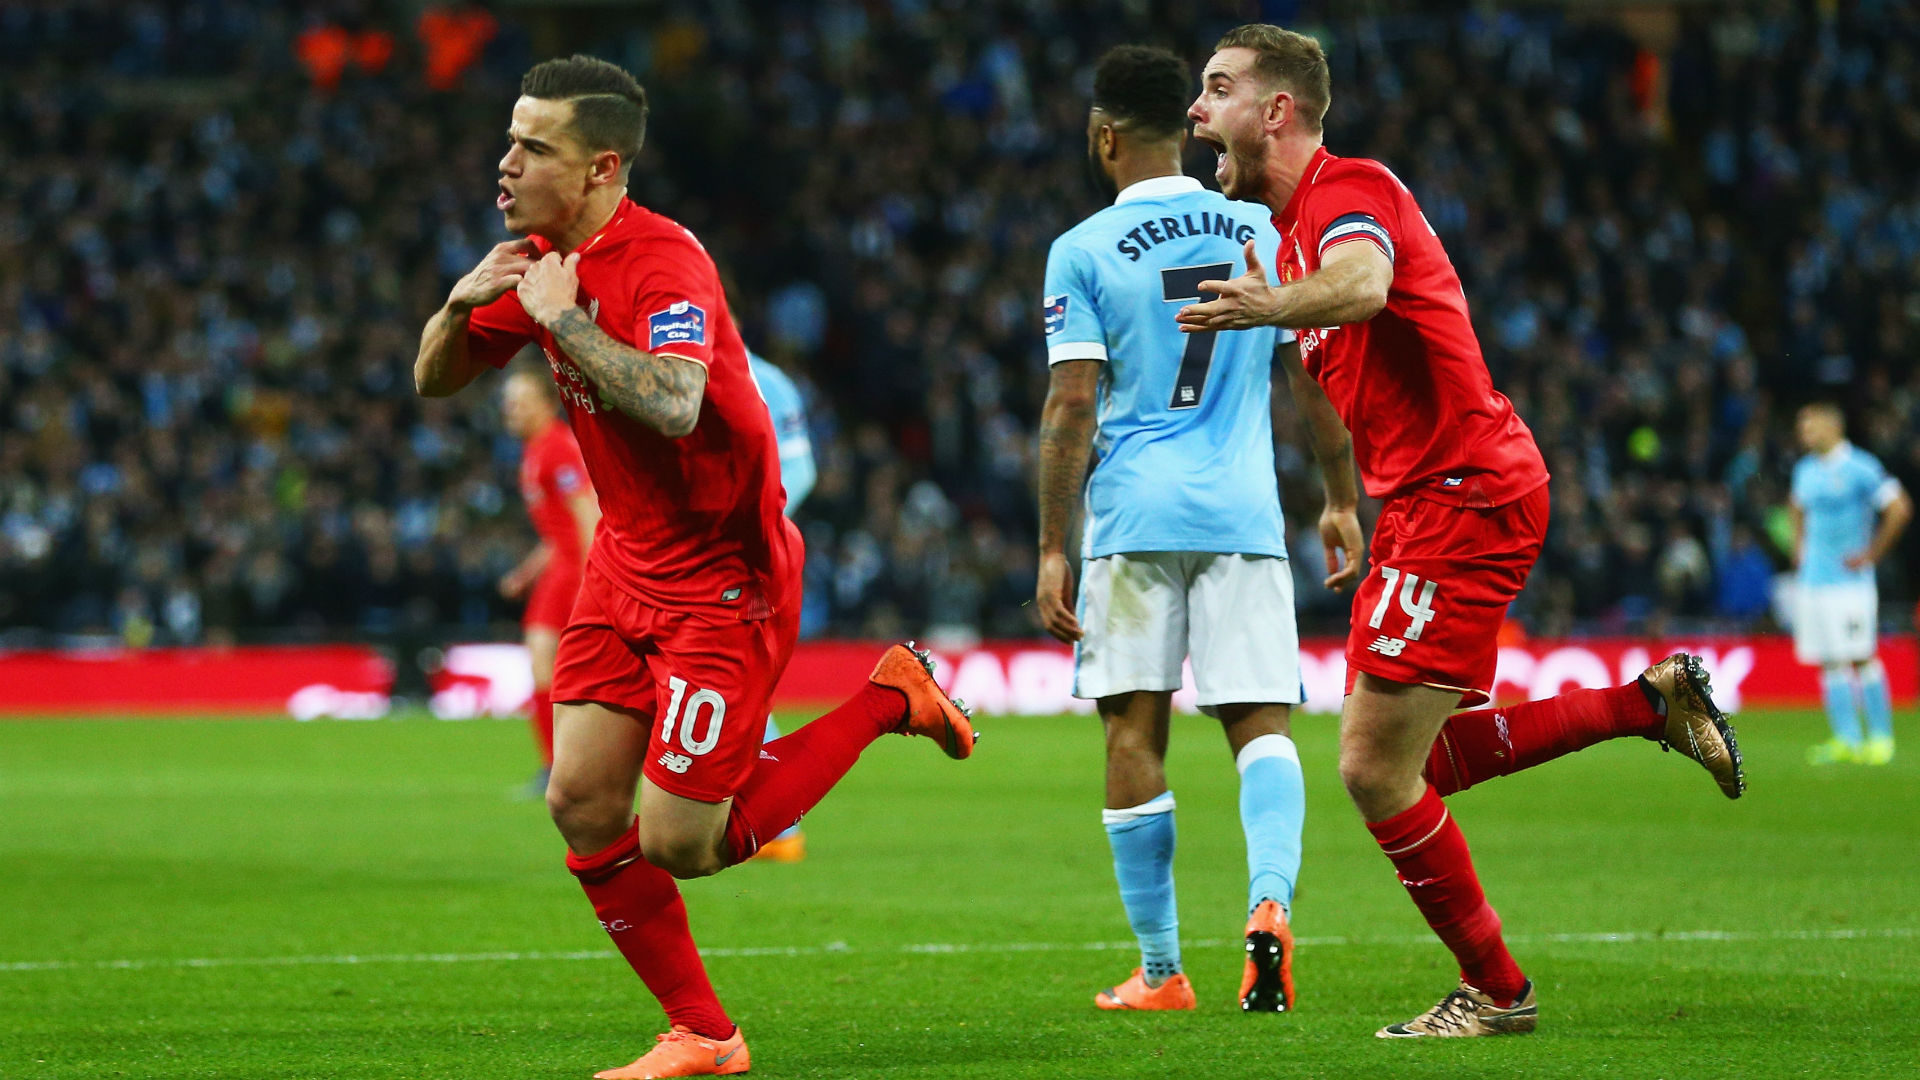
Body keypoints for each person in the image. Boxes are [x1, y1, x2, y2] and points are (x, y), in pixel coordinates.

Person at [1177, 24, 1744, 1039]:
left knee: (1369, 769)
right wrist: (1339, 498)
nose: (1195, 110)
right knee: (1417, 765)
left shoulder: (1349, 194)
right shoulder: (1285, 231)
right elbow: (1323, 373)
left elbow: (1364, 288)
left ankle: (1499, 991)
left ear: (1278, 111)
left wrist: (1272, 306)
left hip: (1465, 491)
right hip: (1424, 500)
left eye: (1215, 89)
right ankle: (1644, 704)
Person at [413, 55, 974, 1079]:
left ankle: (890, 698)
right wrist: (459, 306)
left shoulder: (662, 264)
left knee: (682, 842)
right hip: (624, 566)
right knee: (580, 802)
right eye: (509, 138)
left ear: (600, 167)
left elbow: (674, 401)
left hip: (725, 578)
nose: (505, 162)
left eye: (533, 147)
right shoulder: (536, 257)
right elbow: (433, 380)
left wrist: (562, 321)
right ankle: (707, 1036)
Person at [1034, 44, 1363, 1016]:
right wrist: (1339, 497)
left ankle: (1163, 968)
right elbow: (1314, 376)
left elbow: (1070, 406)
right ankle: (1268, 906)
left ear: (1103, 138)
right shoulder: (1262, 226)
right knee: (1261, 724)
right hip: (1246, 513)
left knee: (1134, 729)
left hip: (1135, 515)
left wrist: (1055, 543)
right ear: (1184, 126)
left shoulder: (1084, 249)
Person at [1790, 402, 1912, 766]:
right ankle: (1847, 738)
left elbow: (1900, 508)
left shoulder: (1861, 467)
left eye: (1810, 427)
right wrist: (1799, 549)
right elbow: (1796, 507)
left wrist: (1873, 554)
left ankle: (1881, 738)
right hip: (1814, 580)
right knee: (1829, 660)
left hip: (1849, 582)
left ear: (1832, 427)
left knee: (1860, 655)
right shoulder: (1805, 469)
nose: (1804, 434)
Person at [499, 365, 599, 797]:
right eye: (508, 402)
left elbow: (587, 515)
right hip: (559, 564)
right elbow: (556, 529)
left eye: (520, 401)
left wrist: (591, 581)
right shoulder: (536, 449)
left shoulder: (558, 448)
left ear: (544, 403)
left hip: (574, 568)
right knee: (546, 664)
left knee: (545, 662)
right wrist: (526, 572)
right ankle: (558, 765)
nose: (511, 410)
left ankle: (559, 767)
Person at [747, 351, 816, 861]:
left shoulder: (767, 380)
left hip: (745, 553)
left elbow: (802, 466)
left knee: (745, 681)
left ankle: (778, 822)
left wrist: (760, 523)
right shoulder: (671, 362)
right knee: (741, 683)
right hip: (695, 549)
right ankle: (771, 821)